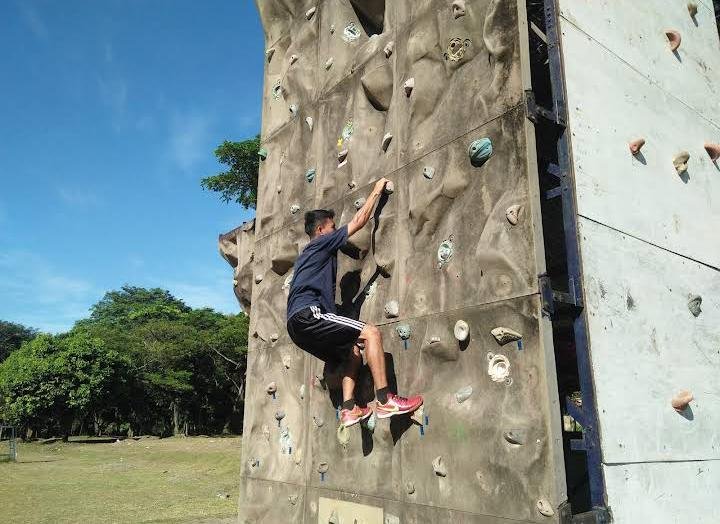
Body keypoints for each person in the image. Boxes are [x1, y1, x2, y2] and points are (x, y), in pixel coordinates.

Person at [286, 178, 423, 428]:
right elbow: (359, 221)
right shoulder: (320, 243)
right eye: (332, 227)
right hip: (308, 314)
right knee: (371, 333)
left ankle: (349, 409)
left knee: (352, 352)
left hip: (296, 327)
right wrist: (377, 190)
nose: (336, 230)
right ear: (320, 230)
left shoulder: (306, 256)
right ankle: (386, 400)